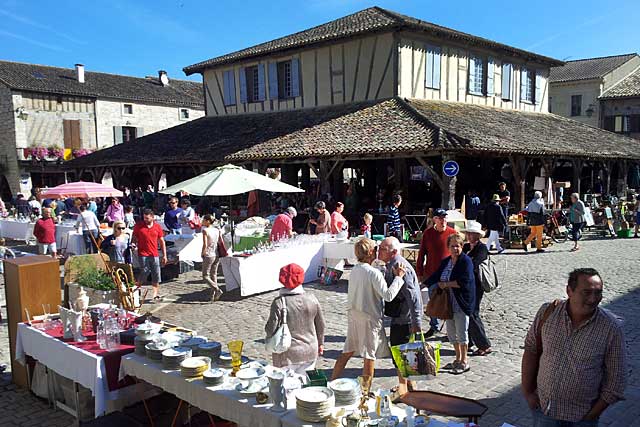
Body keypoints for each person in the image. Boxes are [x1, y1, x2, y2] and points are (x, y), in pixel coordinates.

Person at [521, 268, 626, 426]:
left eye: (598, 293)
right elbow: (531, 350)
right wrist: (528, 393)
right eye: (586, 292)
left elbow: (616, 379)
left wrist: (593, 414)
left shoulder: (610, 328)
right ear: (569, 290)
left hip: (582, 418)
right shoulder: (547, 313)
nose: (593, 299)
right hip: (544, 411)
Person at [331, 238, 406, 380]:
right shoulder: (373, 273)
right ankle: (366, 393)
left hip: (354, 314)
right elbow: (388, 295)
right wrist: (398, 278)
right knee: (369, 356)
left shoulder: (354, 270)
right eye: (376, 249)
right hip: (369, 318)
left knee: (347, 351)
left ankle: (333, 380)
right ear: (371, 252)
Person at [425, 233, 476, 375]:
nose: (455, 249)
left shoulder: (465, 261)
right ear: (448, 247)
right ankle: (457, 358)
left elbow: (464, 282)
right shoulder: (446, 261)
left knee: (462, 333)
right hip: (448, 303)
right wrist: (423, 284)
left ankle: (464, 361)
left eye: (458, 246)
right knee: (452, 333)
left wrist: (446, 284)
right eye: (452, 246)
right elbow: (436, 275)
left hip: (461, 302)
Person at [378, 237, 422, 391]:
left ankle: (403, 388)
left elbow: (413, 296)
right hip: (400, 316)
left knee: (400, 353)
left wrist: (416, 323)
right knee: (404, 352)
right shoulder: (391, 264)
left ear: (394, 252)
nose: (379, 250)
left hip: (405, 319)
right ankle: (409, 384)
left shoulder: (400, 266)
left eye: (383, 248)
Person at [265, 263, 325, 375]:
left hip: (287, 353)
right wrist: (321, 343)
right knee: (305, 385)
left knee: (287, 387)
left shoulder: (279, 302)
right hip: (310, 350)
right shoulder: (312, 299)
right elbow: (320, 325)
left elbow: (270, 329)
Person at [416, 208, 457, 337]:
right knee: (433, 300)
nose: (443, 221)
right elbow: (421, 254)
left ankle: (451, 328)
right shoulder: (428, 234)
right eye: (440, 218)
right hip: (432, 273)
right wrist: (420, 272)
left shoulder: (452, 233)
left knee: (450, 301)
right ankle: (434, 326)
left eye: (444, 218)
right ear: (435, 220)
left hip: (448, 274)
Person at [462, 221, 492, 356]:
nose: (469, 236)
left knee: (472, 313)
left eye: (472, 234)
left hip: (476, 285)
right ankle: (469, 342)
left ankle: (484, 345)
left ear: (477, 235)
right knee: (467, 313)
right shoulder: (466, 247)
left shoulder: (482, 248)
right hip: (465, 285)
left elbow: (473, 265)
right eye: (468, 233)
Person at [133, 209, 167, 302]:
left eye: (147, 218)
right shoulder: (139, 226)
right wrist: (133, 244)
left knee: (156, 273)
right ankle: (137, 287)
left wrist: (164, 255)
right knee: (144, 271)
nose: (145, 220)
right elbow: (134, 236)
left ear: (152, 217)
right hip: (143, 253)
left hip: (154, 253)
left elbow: (161, 241)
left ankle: (155, 294)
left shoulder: (157, 227)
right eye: (144, 218)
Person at [201, 214, 223, 301]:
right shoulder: (216, 230)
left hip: (209, 254)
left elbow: (205, 244)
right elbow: (220, 242)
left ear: (208, 221)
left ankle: (217, 290)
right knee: (213, 274)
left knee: (205, 275)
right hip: (216, 253)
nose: (202, 221)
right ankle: (213, 295)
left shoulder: (205, 230)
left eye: (204, 220)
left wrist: (203, 253)